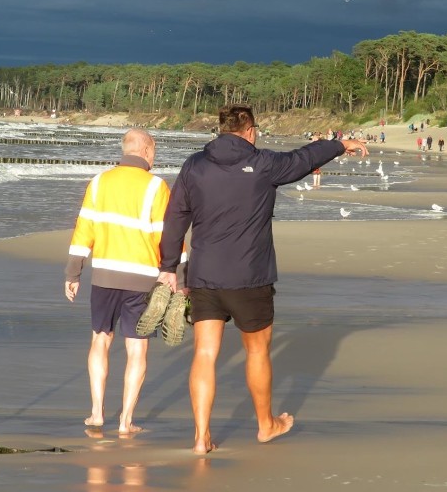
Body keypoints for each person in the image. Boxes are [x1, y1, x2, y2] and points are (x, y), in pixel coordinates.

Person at [157, 105, 368, 454]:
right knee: (257, 351)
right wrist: (340, 144)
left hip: (205, 275)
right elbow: (301, 159)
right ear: (250, 130)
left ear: (221, 130)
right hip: (250, 277)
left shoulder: (194, 165)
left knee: (205, 354)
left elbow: (175, 217)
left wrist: (167, 266)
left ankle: (200, 437)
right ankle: (266, 426)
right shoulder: (263, 163)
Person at [64, 128, 170, 435]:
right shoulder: (156, 186)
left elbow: (84, 230)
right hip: (142, 278)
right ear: (147, 150)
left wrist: (73, 273)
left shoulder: (98, 183)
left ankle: (97, 413)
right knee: (137, 349)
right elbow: (168, 236)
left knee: (100, 339)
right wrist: (178, 273)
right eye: (154, 150)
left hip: (105, 276)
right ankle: (126, 421)